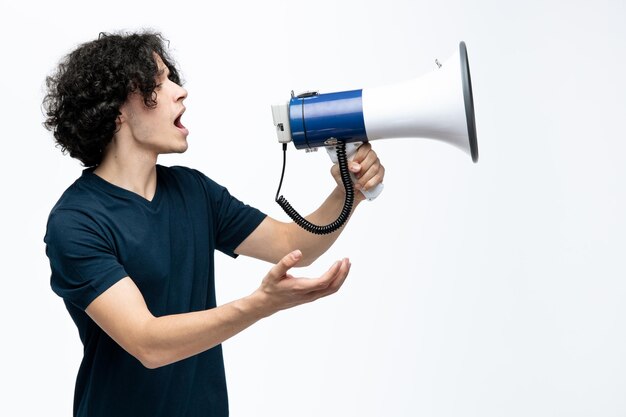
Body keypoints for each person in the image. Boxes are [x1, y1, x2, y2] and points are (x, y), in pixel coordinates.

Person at [43, 31, 384, 417]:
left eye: (173, 78)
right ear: (117, 110)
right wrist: (259, 305)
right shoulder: (76, 222)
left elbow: (292, 243)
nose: (180, 91)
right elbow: (148, 343)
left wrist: (348, 191)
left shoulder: (193, 191)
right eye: (158, 82)